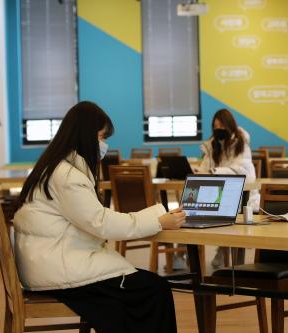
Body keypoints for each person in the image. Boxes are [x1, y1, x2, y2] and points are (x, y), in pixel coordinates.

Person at [13, 101, 185, 333]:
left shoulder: (54, 167)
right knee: (155, 289)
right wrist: (158, 219)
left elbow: (95, 220)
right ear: (85, 135)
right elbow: (101, 223)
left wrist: (156, 217)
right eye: (102, 137)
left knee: (143, 287)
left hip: (48, 264)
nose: (104, 145)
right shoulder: (67, 176)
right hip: (59, 270)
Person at [197, 108, 257, 267]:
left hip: (242, 196)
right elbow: (205, 168)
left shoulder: (241, 143)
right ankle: (186, 252)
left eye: (222, 126)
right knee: (190, 209)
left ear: (230, 125)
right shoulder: (212, 146)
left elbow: (242, 171)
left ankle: (223, 249)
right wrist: (198, 173)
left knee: (205, 209)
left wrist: (214, 172)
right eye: (215, 126)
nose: (219, 129)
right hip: (219, 193)